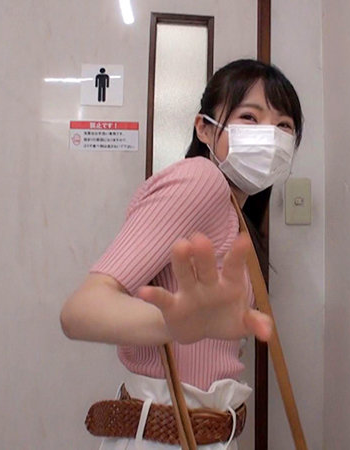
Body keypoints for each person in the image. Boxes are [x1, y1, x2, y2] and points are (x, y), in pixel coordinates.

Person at [60, 59, 304, 449]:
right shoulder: (202, 180)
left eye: (284, 126)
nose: (269, 136)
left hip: (205, 432)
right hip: (167, 436)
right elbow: (80, 312)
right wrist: (177, 323)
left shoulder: (235, 213)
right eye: (249, 117)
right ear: (204, 128)